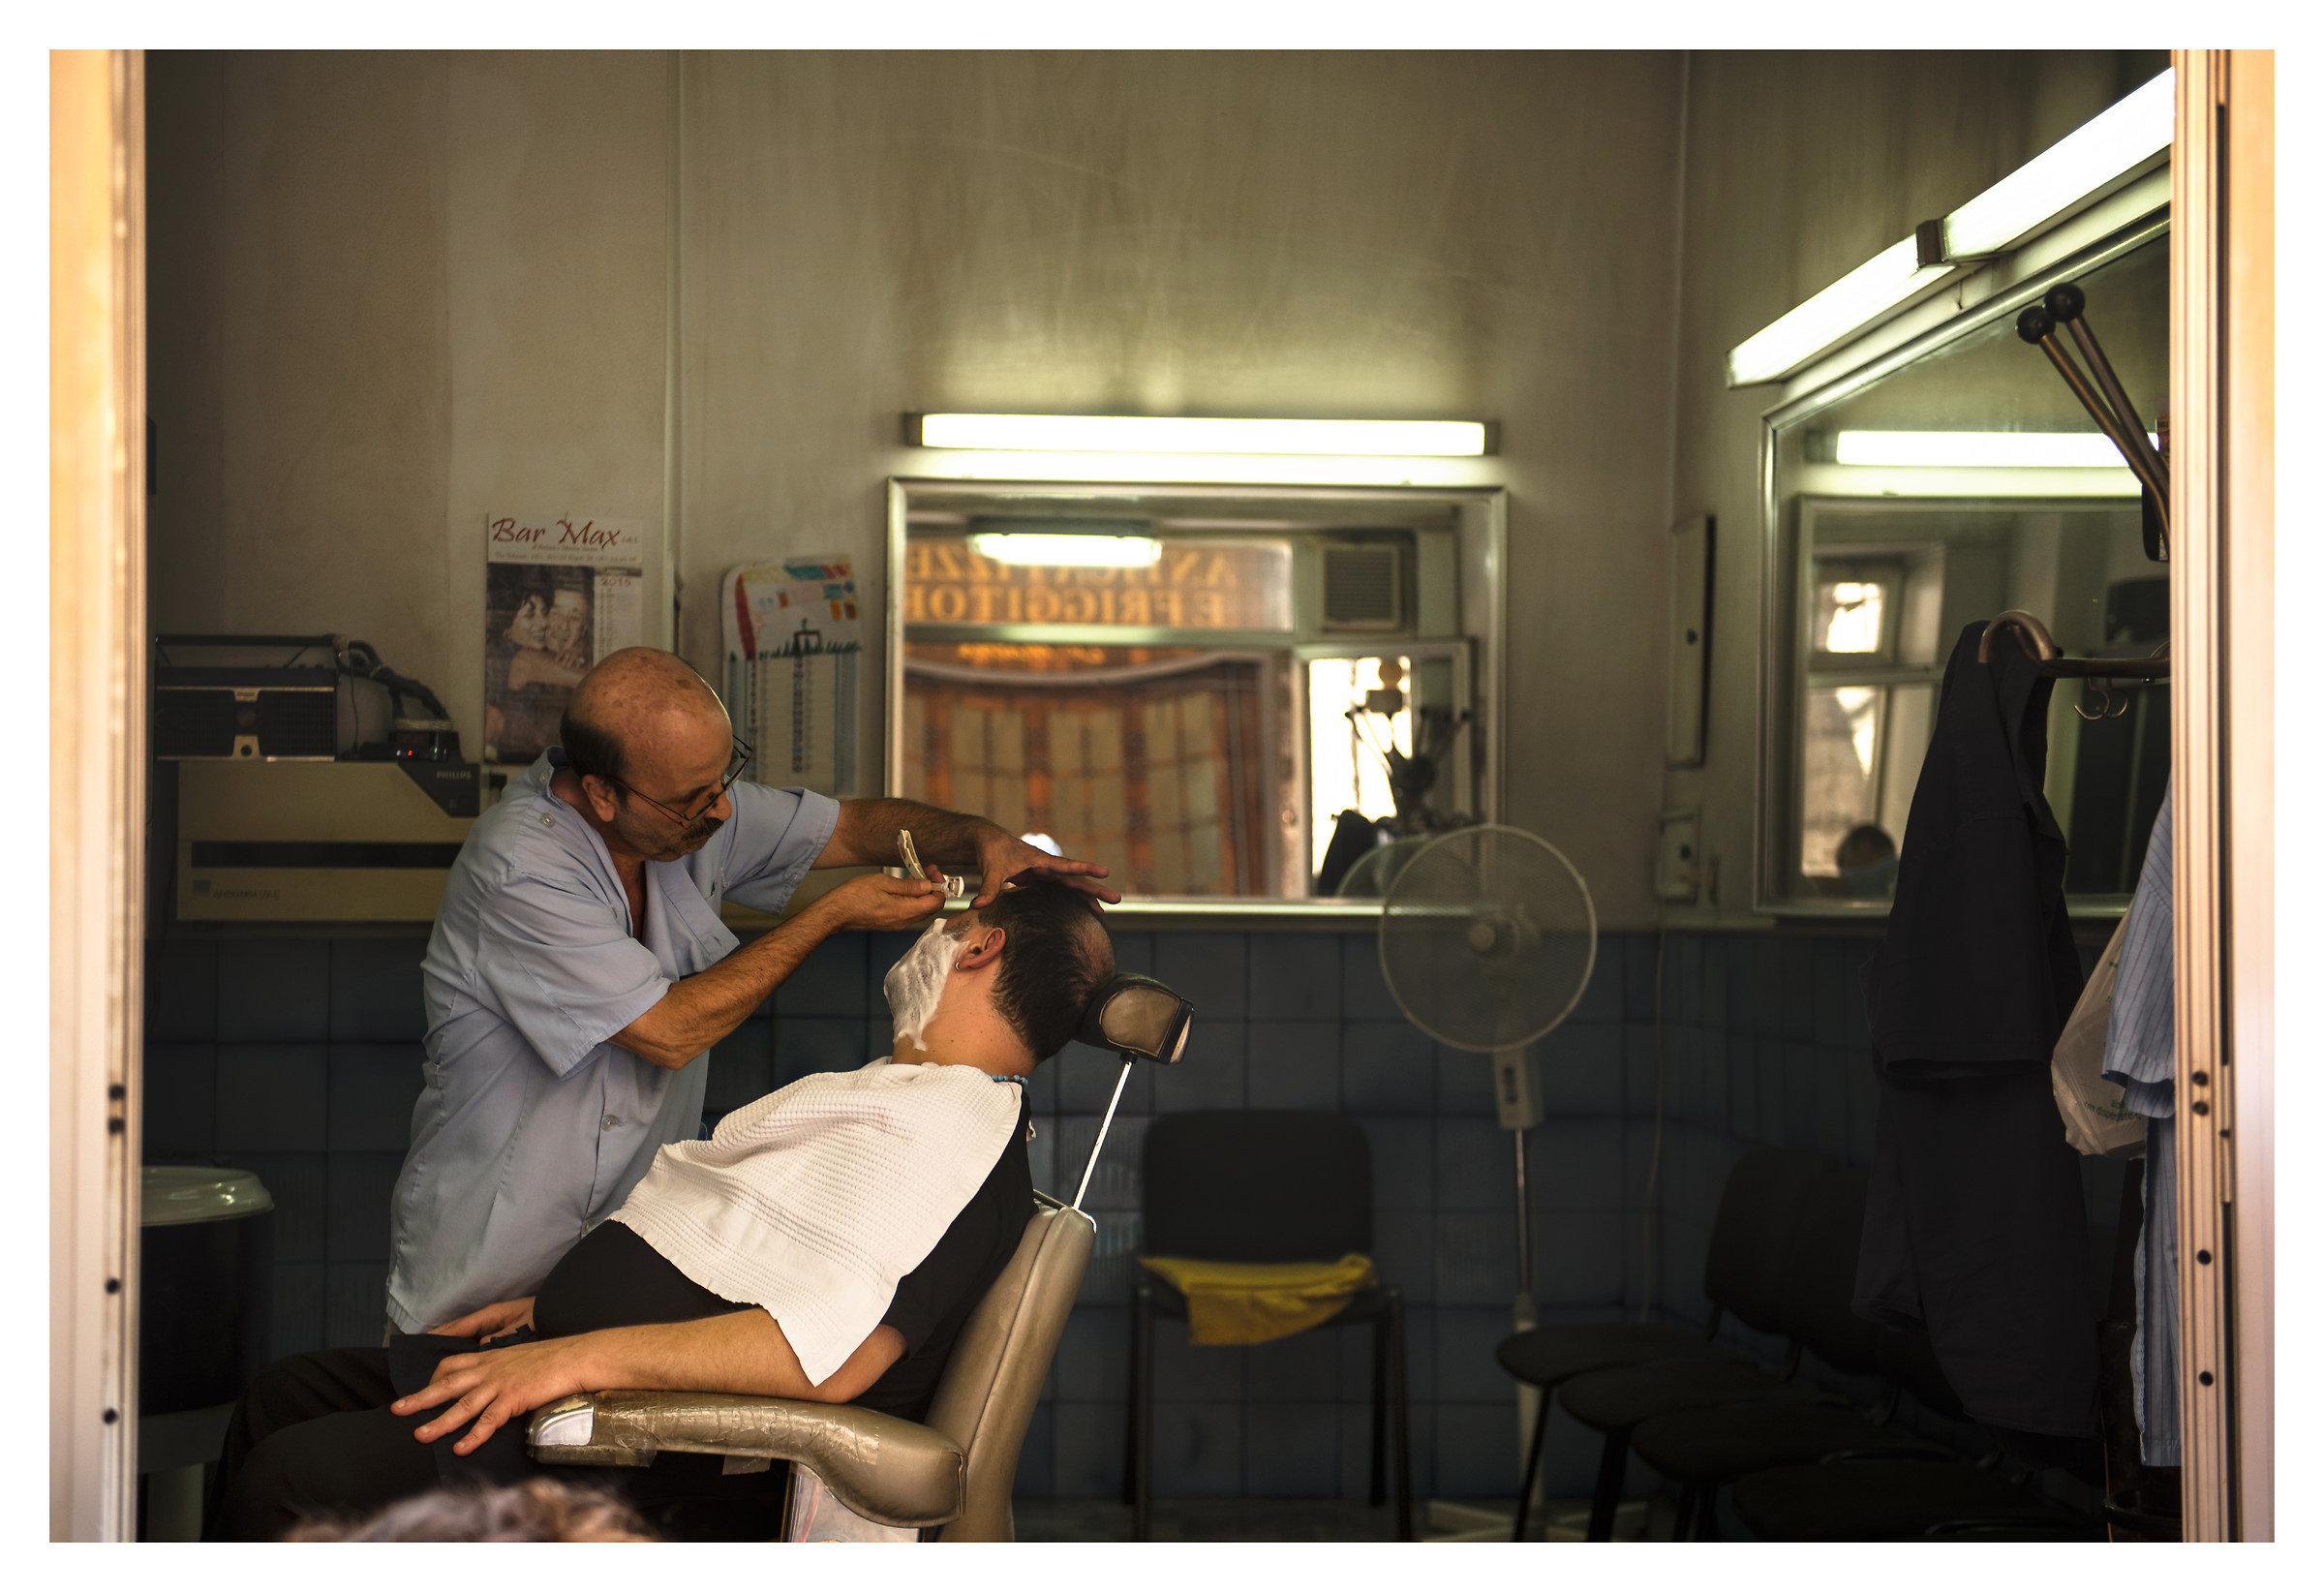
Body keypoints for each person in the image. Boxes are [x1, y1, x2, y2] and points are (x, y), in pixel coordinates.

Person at [216, 881, 1114, 1542]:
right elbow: (757, 1258)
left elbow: (825, 1356)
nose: (931, 935)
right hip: (589, 1396)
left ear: (980, 948)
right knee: (280, 1398)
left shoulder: (949, 1133)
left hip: (661, 1460)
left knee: (291, 1479)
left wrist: (572, 1355)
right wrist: (549, 1314)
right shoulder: (917, 1104)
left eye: (947, 924)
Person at [388, 645, 1116, 1347]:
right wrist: (832, 912)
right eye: (692, 803)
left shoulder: (693, 814)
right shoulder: (520, 868)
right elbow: (667, 1031)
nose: (724, 815)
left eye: (723, 782)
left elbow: (857, 826)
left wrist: (980, 839)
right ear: (604, 793)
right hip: (495, 1258)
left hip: (613, 1282)